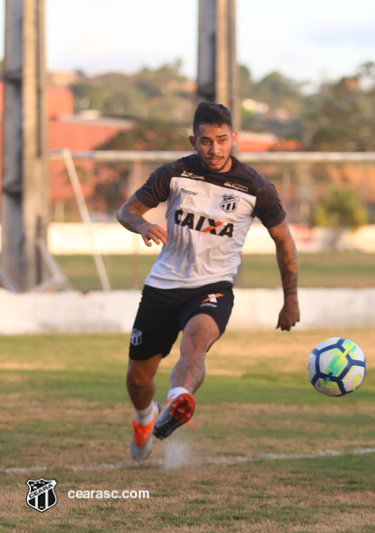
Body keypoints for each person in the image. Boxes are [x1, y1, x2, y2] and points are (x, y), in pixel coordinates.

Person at [117, 102, 300, 461]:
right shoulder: (174, 174)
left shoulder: (256, 187)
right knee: (138, 379)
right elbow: (127, 210)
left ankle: (178, 399)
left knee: (196, 342)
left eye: (221, 140)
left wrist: (290, 299)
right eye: (205, 141)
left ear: (234, 138)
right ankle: (145, 417)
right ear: (193, 140)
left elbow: (284, 241)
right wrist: (143, 225)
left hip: (212, 286)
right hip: (162, 287)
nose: (214, 150)